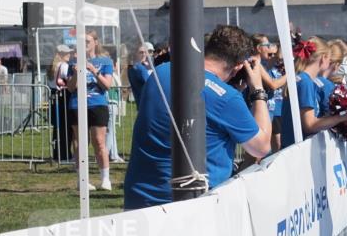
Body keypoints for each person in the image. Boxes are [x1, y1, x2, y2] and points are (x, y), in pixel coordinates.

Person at [124, 25, 271, 209]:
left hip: (140, 196)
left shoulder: (161, 72)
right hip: (190, 205)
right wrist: (257, 89)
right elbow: (261, 147)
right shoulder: (226, 98)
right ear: (239, 66)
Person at [280, 37, 347, 148]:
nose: (330, 62)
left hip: (291, 148)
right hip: (296, 151)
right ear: (323, 58)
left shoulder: (302, 79)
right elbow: (310, 125)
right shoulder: (305, 82)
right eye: (329, 59)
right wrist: (343, 117)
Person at [67, 31, 114, 191]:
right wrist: (75, 72)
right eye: (81, 41)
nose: (84, 44)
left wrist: (94, 70)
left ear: (95, 42)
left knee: (99, 142)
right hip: (77, 104)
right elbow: (71, 87)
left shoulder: (105, 61)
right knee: (80, 143)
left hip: (97, 104)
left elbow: (107, 85)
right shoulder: (73, 61)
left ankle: (105, 179)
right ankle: (82, 180)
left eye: (87, 41)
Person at [252, 34, 287, 154]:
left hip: (269, 110)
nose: (269, 48)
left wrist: (283, 42)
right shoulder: (255, 62)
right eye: (267, 45)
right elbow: (273, 84)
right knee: (255, 155)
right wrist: (290, 75)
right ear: (258, 48)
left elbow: (279, 56)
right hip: (259, 110)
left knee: (274, 146)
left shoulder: (264, 63)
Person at [127, 42, 154, 108]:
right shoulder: (139, 68)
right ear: (136, 54)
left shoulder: (132, 67)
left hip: (140, 102)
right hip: (147, 102)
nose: (144, 54)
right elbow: (151, 83)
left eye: (145, 52)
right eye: (141, 52)